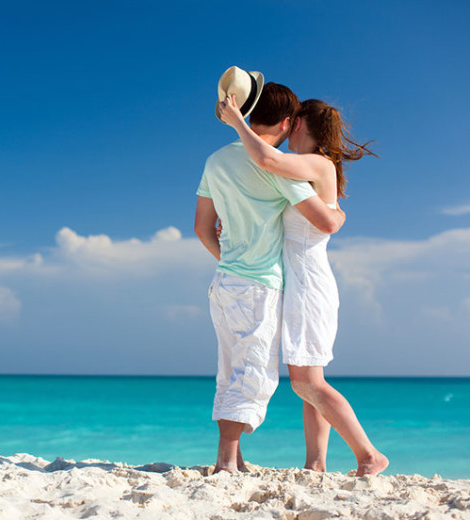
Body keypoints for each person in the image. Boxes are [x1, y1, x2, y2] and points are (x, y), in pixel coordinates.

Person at [218, 94, 389, 476]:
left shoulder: (315, 162)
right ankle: (316, 464)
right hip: (296, 279)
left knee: (306, 381)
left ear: (296, 123)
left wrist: (237, 122)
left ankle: (369, 455)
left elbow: (266, 159)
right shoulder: (306, 168)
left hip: (309, 284)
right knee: (312, 381)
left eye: (290, 122)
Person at [194, 69, 346, 474]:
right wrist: (338, 213)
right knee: (254, 371)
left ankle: (236, 457)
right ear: (285, 122)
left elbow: (201, 228)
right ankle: (227, 460)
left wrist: (230, 260)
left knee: (229, 369)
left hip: (224, 281)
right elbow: (325, 221)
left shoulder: (215, 159)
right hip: (260, 283)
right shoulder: (277, 169)